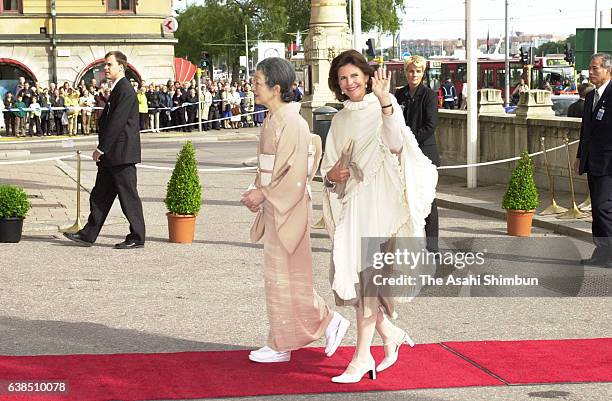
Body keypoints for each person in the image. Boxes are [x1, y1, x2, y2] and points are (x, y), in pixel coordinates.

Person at [321, 50, 437, 383]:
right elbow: (328, 171)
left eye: (354, 75)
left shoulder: (382, 105)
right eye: (343, 78)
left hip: (381, 207)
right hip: (354, 207)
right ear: (338, 85)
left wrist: (386, 102)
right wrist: (335, 175)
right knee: (359, 282)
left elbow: (396, 143)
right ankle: (390, 334)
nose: (349, 82)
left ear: (366, 75)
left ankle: (361, 358)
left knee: (368, 282)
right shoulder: (340, 119)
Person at [240, 57, 350, 364]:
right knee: (280, 277)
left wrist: (261, 193)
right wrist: (257, 190)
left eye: (257, 82)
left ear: (275, 88)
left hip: (288, 207)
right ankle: (282, 340)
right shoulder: (277, 119)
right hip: (279, 206)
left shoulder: (292, 122)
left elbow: (293, 173)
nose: (253, 87)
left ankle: (326, 322)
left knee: (289, 277)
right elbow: (272, 169)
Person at [63, 50, 146, 250]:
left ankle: (137, 236)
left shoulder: (125, 89)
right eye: (105, 65)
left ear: (121, 66)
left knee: (128, 197)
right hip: (113, 155)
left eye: (109, 64)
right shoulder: (118, 88)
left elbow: (117, 124)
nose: (105, 68)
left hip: (121, 154)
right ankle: (87, 234)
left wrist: (101, 149)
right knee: (99, 195)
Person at [394, 55, 441, 252]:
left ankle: (432, 247)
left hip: (423, 155)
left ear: (423, 73)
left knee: (428, 200)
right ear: (406, 73)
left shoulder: (429, 95)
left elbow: (431, 125)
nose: (414, 75)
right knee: (402, 200)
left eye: (418, 71)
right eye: (411, 71)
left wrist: (410, 141)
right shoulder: (399, 95)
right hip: (403, 155)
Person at [574, 53, 612, 268]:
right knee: (596, 211)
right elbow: (585, 131)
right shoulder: (590, 96)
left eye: (595, 68)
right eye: (590, 68)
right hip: (592, 160)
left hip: (609, 162)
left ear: (608, 70)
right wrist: (580, 156)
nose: (591, 72)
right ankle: (601, 252)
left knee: (603, 207)